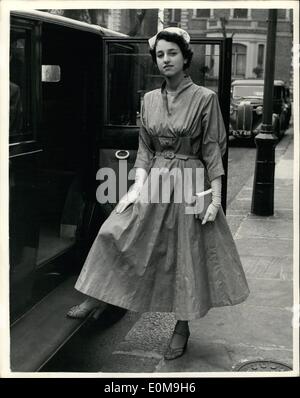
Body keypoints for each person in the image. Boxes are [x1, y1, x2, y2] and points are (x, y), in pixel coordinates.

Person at [67, 27, 250, 360]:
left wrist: (217, 199)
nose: (166, 59)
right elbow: (145, 149)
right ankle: (99, 293)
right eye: (160, 54)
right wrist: (134, 188)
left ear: (185, 58)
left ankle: (181, 327)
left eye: (172, 53)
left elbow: (213, 152)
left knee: (187, 255)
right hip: (155, 179)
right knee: (116, 230)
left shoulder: (205, 99)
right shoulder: (149, 100)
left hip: (191, 181)